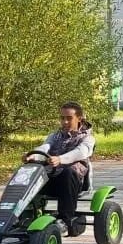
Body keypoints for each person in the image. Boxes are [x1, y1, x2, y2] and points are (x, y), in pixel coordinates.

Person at [26, 101, 96, 236]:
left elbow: (80, 152)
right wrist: (32, 155)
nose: (64, 122)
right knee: (29, 170)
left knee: (68, 171)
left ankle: (65, 220)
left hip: (74, 182)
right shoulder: (55, 136)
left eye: (69, 118)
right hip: (52, 178)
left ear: (79, 119)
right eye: (62, 118)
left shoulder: (88, 138)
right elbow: (45, 147)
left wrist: (60, 159)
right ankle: (26, 215)